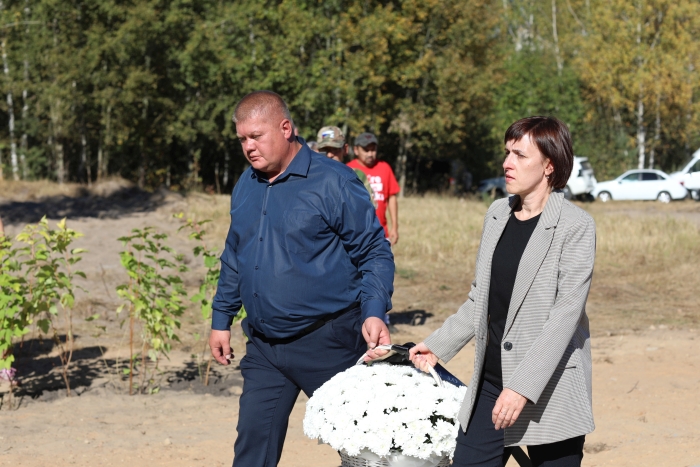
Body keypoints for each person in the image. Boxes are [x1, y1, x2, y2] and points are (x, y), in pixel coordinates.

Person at [209, 91, 394, 467]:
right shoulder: (246, 184)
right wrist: (221, 319)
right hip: (264, 346)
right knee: (251, 450)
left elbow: (375, 251)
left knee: (365, 449)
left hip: (328, 342)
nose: (249, 147)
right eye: (242, 139)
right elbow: (235, 254)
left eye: (256, 136)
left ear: (286, 128)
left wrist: (374, 310)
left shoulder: (334, 182)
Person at [408, 116, 596, 467]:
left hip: (550, 389)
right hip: (491, 382)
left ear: (549, 166)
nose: (507, 163)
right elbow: (480, 298)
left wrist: (522, 387)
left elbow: (564, 318)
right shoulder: (497, 214)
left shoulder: (576, 226)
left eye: (520, 155)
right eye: (507, 152)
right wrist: (437, 345)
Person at [347, 133, 400, 245]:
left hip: (381, 233)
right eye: (366, 150)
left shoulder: (384, 167)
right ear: (356, 150)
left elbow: (392, 197)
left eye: (373, 150)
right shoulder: (348, 169)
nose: (370, 154)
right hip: (356, 235)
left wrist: (394, 226)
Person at [316, 126, 374, 205]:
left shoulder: (357, 176)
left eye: (335, 149)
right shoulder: (310, 177)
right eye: (324, 150)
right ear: (316, 151)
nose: (329, 155)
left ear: (345, 149)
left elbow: (369, 209)